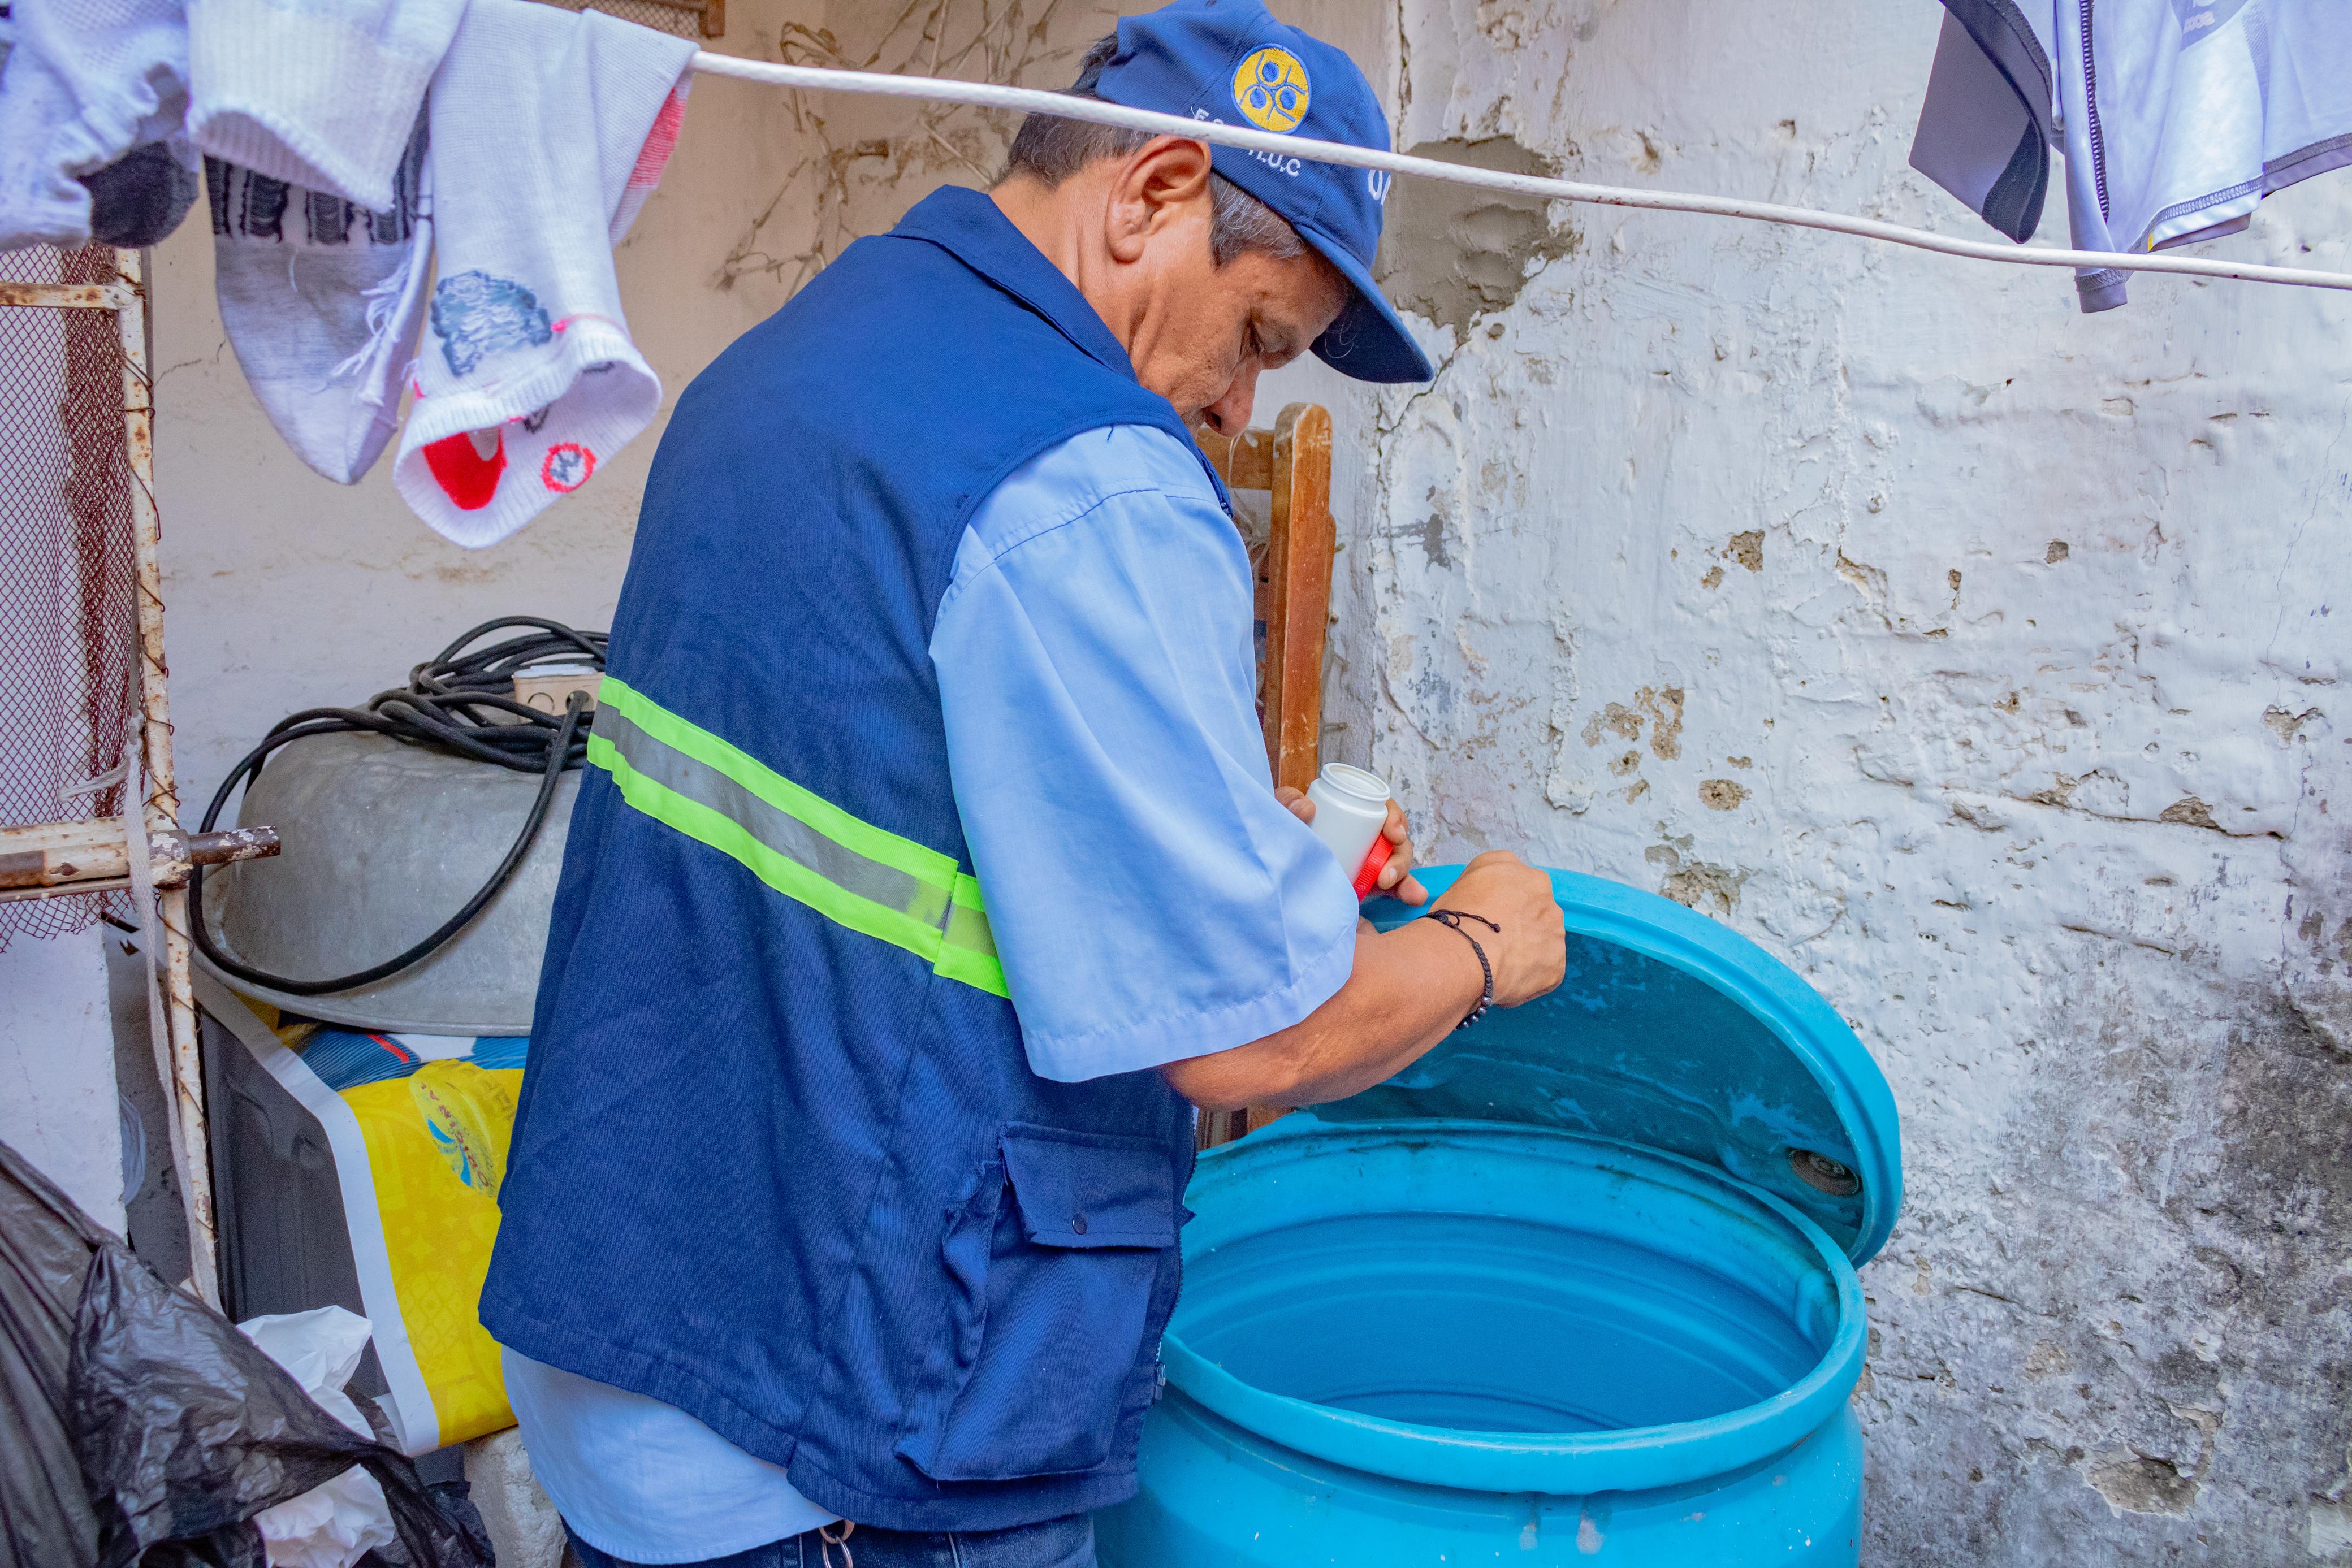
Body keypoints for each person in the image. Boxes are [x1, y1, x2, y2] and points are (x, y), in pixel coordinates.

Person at [478, 3, 1568, 1564]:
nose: (1240, 407)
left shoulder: (796, 357)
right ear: (1154, 194)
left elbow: (889, 781)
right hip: (843, 1435)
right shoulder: (1092, 477)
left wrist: (1207, 850)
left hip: (633, 1334)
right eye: (1259, 338)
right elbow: (1252, 1039)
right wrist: (1478, 943)